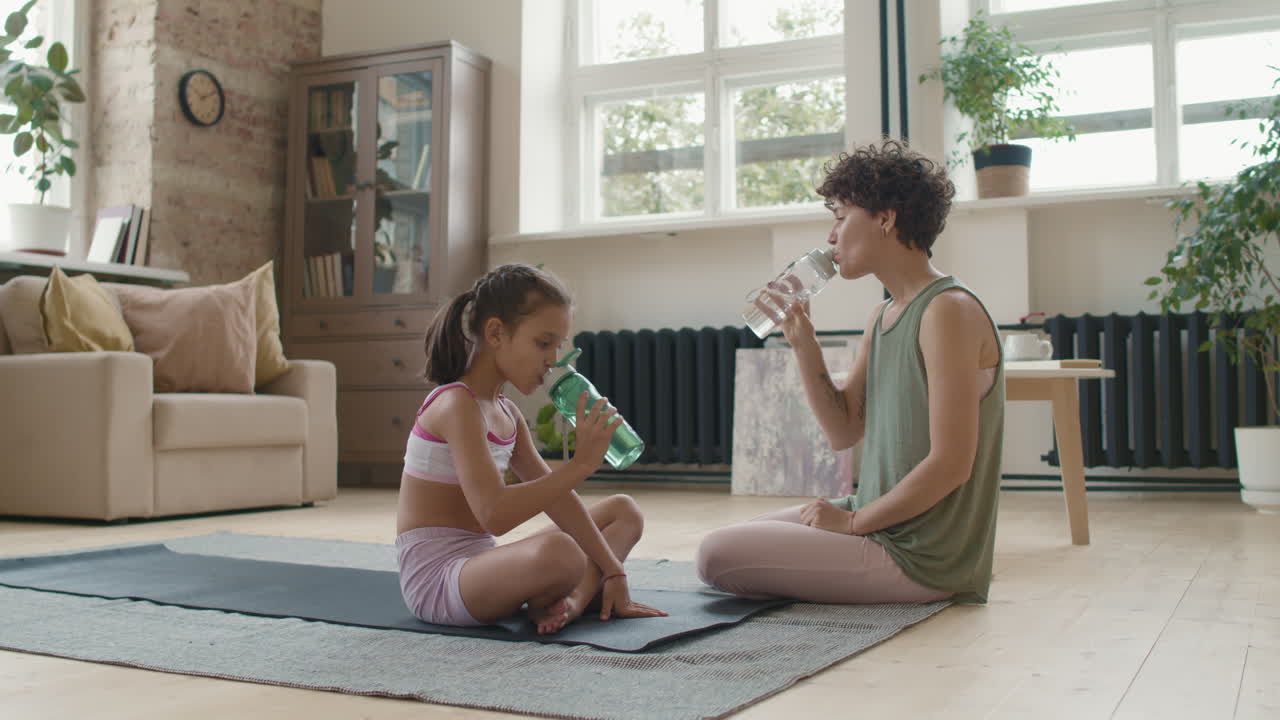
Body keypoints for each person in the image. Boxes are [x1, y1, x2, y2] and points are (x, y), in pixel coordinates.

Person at [696, 139, 1005, 605]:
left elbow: (951, 464)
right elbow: (843, 431)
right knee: (739, 535)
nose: (831, 236)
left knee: (716, 554)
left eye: (841, 216)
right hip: (878, 520)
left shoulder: (948, 310)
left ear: (886, 218)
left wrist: (854, 524)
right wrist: (804, 344)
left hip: (921, 554)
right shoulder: (883, 317)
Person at [398, 264, 666, 634]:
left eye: (558, 345)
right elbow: (495, 514)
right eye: (543, 343)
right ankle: (567, 593)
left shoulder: (507, 413)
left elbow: (559, 502)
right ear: (496, 333)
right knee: (561, 553)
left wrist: (614, 569)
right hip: (439, 583)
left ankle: (569, 603)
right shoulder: (455, 405)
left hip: (482, 565)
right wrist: (581, 465)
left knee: (624, 511)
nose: (553, 359)